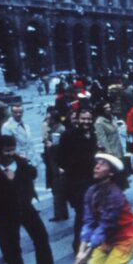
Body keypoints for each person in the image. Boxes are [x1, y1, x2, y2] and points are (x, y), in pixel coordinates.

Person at [0, 135, 63, 264]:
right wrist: (2, 175)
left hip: (25, 207)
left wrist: (26, 163)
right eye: (6, 151)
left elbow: (33, 174)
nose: (10, 154)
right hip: (4, 212)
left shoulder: (20, 162)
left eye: (12, 150)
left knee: (41, 236)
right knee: (11, 246)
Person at [58, 107, 98, 253]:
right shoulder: (69, 136)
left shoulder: (91, 135)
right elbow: (62, 159)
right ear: (77, 119)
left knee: (91, 213)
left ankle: (89, 242)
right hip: (77, 182)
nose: (86, 122)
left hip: (91, 179)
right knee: (82, 214)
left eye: (88, 119)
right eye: (83, 119)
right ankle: (78, 245)